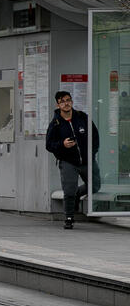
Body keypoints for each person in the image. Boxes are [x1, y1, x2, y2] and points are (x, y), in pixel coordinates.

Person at [45, 90, 100, 230]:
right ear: (58, 105)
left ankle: (77, 195)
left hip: (87, 160)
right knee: (69, 190)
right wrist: (62, 145)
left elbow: (95, 136)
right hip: (68, 161)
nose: (66, 103)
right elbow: (49, 145)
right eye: (62, 101)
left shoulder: (82, 117)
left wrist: (92, 153)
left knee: (95, 185)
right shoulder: (55, 123)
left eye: (68, 100)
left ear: (72, 101)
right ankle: (69, 218)